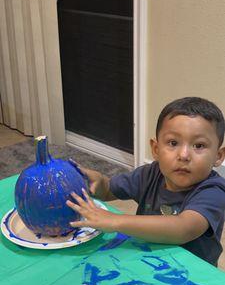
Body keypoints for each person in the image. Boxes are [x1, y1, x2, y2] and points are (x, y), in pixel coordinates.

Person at [66, 97, 225, 266]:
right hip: (147, 261)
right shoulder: (149, 174)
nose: (184, 155)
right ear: (156, 149)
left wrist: (115, 220)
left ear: (218, 156)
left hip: (192, 275)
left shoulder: (214, 191)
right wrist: (98, 183)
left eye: (199, 146)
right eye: (173, 143)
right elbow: (108, 190)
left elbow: (184, 228)